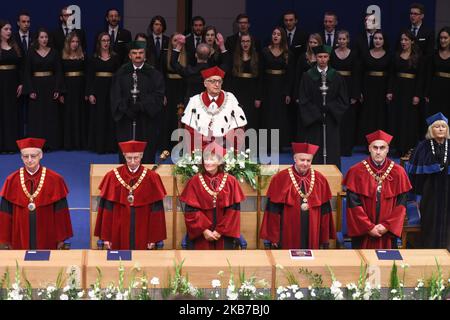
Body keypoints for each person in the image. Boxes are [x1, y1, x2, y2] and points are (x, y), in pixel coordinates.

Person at [343, 130, 412, 249]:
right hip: (363, 233)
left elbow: (401, 205)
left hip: (387, 232)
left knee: (388, 265)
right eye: (375, 148)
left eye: (382, 148)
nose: (378, 152)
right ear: (369, 148)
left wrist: (387, 226)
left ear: (388, 149)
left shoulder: (399, 172)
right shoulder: (356, 171)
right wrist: (369, 227)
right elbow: (353, 205)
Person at [0, 138, 73, 249]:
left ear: (41, 155)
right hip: (19, 234)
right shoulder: (12, 180)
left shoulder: (55, 179)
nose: (29, 160)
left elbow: (61, 213)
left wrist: (61, 239)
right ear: (21, 157)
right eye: (25, 156)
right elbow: (6, 214)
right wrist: (5, 240)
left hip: (47, 233)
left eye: (33, 156)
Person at [260, 142, 335, 249]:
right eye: (302, 160)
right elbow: (273, 211)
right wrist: (274, 237)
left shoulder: (320, 179)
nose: (305, 164)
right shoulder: (281, 178)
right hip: (288, 231)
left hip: (313, 231)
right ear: (295, 159)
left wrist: (324, 237)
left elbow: (325, 211)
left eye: (308, 161)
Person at [94, 140, 167, 250]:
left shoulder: (152, 178)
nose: (132, 162)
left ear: (141, 156)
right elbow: (107, 210)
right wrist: (106, 237)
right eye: (129, 158)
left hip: (144, 227)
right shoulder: (112, 176)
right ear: (124, 156)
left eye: (136, 158)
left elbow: (157, 212)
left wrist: (153, 238)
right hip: (118, 227)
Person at [179, 142, 245, 249]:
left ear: (220, 161)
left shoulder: (230, 181)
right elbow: (190, 210)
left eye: (212, 159)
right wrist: (204, 230)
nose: (208, 162)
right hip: (201, 235)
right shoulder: (194, 181)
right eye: (206, 159)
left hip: (224, 236)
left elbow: (233, 211)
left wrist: (220, 231)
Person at [111, 40, 165, 164]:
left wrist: (141, 106)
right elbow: (115, 95)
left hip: (146, 120)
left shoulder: (154, 74)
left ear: (145, 55)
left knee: (146, 152)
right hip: (126, 120)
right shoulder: (121, 73)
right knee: (126, 151)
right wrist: (126, 108)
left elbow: (158, 96)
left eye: (141, 52)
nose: (138, 55)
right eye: (134, 53)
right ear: (130, 55)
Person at [298, 45, 348, 168]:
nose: (322, 60)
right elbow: (304, 100)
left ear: (329, 58)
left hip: (331, 119)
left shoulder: (336, 76)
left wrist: (330, 108)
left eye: (325, 57)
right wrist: (317, 114)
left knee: (331, 148)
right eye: (320, 57)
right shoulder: (308, 76)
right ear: (315, 57)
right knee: (315, 148)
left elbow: (343, 100)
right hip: (314, 121)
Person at [406, 113, 450, 250]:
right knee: (430, 222)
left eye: (443, 126)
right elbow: (415, 175)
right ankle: (430, 252)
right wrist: (415, 197)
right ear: (431, 129)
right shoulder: (423, 147)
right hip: (429, 191)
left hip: (448, 191)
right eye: (437, 126)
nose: (441, 129)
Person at [180, 66, 247, 151]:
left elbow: (239, 127)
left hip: (225, 147)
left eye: (219, 81)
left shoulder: (230, 98)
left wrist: (225, 144)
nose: (217, 84)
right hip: (201, 147)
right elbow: (189, 130)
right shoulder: (195, 100)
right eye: (212, 81)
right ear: (205, 83)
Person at [23, 28, 63, 150]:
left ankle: (51, 143)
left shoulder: (54, 52)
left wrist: (57, 89)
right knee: (37, 116)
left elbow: (59, 72)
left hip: (50, 87)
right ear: (37, 39)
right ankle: (37, 144)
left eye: (46, 37)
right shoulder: (31, 52)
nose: (44, 39)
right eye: (41, 37)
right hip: (36, 88)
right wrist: (30, 90)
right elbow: (27, 72)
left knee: (51, 115)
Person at [387, 29, 425, 157]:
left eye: (406, 40)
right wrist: (390, 91)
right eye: (402, 40)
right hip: (398, 90)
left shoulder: (418, 57)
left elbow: (420, 78)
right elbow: (391, 75)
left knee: (409, 119)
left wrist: (417, 95)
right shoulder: (396, 55)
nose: (403, 42)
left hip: (411, 91)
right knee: (397, 117)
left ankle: (408, 147)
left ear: (412, 42)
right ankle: (398, 146)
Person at [260, 26, 295, 151]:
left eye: (278, 34)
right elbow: (261, 74)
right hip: (268, 87)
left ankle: (278, 145)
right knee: (267, 116)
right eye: (274, 33)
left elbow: (290, 75)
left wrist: (288, 93)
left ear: (282, 37)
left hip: (281, 88)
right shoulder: (264, 51)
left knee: (279, 117)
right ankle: (266, 144)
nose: (275, 36)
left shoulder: (287, 53)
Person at [86, 32, 121, 154]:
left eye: (107, 40)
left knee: (111, 117)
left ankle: (111, 146)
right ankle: (99, 146)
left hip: (111, 90)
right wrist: (90, 93)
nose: (106, 43)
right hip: (98, 91)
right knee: (99, 117)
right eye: (103, 40)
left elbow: (118, 77)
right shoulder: (93, 58)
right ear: (99, 43)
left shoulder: (116, 57)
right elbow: (89, 77)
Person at [358, 30, 391, 145]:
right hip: (368, 88)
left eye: (380, 38)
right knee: (368, 115)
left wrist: (389, 91)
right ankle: (368, 143)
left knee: (381, 115)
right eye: (375, 38)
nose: (377, 41)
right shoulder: (366, 53)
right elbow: (360, 73)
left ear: (384, 41)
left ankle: (380, 142)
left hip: (382, 88)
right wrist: (360, 91)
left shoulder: (389, 55)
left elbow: (391, 74)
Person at [330, 30, 361, 156]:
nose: (342, 41)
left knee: (348, 120)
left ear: (348, 40)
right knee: (335, 118)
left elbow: (357, 75)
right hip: (335, 88)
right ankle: (334, 147)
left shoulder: (353, 54)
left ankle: (347, 148)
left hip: (349, 89)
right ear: (337, 40)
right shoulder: (331, 53)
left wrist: (355, 95)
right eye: (340, 39)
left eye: (344, 39)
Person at [226, 33, 261, 132]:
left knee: (251, 118)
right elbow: (230, 78)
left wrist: (258, 97)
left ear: (251, 43)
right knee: (237, 118)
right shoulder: (234, 57)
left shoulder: (257, 57)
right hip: (238, 91)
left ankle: (250, 145)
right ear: (239, 43)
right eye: (243, 41)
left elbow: (260, 79)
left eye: (247, 41)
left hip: (251, 92)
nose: (245, 43)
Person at [60, 31, 88, 150]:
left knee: (80, 114)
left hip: (80, 88)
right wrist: (61, 91)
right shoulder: (62, 56)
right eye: (73, 41)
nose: (75, 44)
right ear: (68, 42)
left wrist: (87, 91)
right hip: (67, 88)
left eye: (77, 42)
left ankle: (79, 143)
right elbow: (60, 75)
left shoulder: (83, 55)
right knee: (68, 115)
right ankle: (68, 143)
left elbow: (87, 74)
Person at [0, 20, 22, 153]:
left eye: (10, 29)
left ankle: (11, 145)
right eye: (6, 29)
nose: (9, 31)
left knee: (11, 113)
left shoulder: (15, 45)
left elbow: (21, 66)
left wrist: (20, 83)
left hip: (13, 83)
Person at [425, 26, 450, 118]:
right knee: (435, 116)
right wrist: (427, 92)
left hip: (448, 89)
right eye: (441, 38)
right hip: (436, 89)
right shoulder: (434, 54)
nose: (443, 40)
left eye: (445, 38)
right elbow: (429, 74)